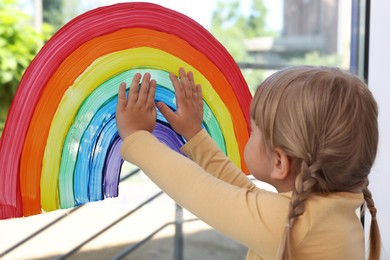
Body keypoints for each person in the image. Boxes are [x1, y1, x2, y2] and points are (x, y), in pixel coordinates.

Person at [116, 66, 381, 259]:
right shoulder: (329, 213)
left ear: (279, 162)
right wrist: (195, 135)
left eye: (253, 130)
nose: (248, 133)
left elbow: (198, 191)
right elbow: (245, 196)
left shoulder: (293, 223)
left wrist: (138, 138)